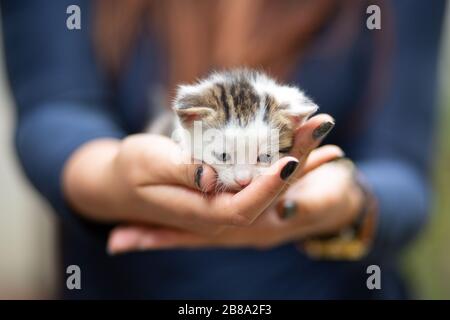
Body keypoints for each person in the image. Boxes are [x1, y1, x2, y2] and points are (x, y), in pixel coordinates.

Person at [0, 0, 445, 299]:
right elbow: (54, 103)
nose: (249, 180)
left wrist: (349, 199)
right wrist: (103, 173)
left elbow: (402, 169)